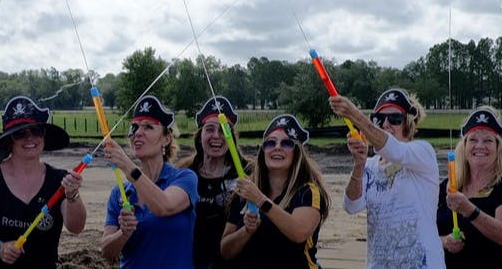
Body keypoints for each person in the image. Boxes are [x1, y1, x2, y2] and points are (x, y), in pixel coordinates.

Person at [0, 96, 86, 268]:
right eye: (20, 133)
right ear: (10, 140)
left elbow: (76, 227)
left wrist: (72, 195)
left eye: (36, 130)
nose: (29, 138)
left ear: (44, 135)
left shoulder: (58, 181)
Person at [329, 88, 446, 268]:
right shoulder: (370, 165)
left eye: (395, 119)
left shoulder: (422, 152)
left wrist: (354, 116)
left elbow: (395, 150)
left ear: (408, 123)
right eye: (379, 120)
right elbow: (352, 206)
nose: (385, 124)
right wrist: (359, 164)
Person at [98, 95, 200, 268]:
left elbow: (164, 206)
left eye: (148, 127)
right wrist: (123, 234)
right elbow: (107, 252)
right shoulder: (120, 193)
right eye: (135, 127)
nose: (138, 133)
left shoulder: (185, 178)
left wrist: (128, 166)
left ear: (166, 139)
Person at [219, 114, 331, 268]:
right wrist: (246, 231)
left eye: (286, 143)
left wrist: (260, 200)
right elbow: (226, 251)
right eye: (270, 143)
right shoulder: (246, 191)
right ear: (263, 151)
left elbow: (299, 232)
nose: (277, 147)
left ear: (297, 152)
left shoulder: (308, 193)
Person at [432, 107, 502, 268]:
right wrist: (445, 241)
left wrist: (467, 209)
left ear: (498, 149)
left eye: (488, 140)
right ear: (464, 147)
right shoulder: (448, 186)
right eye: (473, 140)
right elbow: (427, 234)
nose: (480, 146)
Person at [181, 96, 246, 269]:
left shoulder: (248, 172)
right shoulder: (185, 172)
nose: (216, 136)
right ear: (200, 135)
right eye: (210, 129)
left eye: (223, 129)